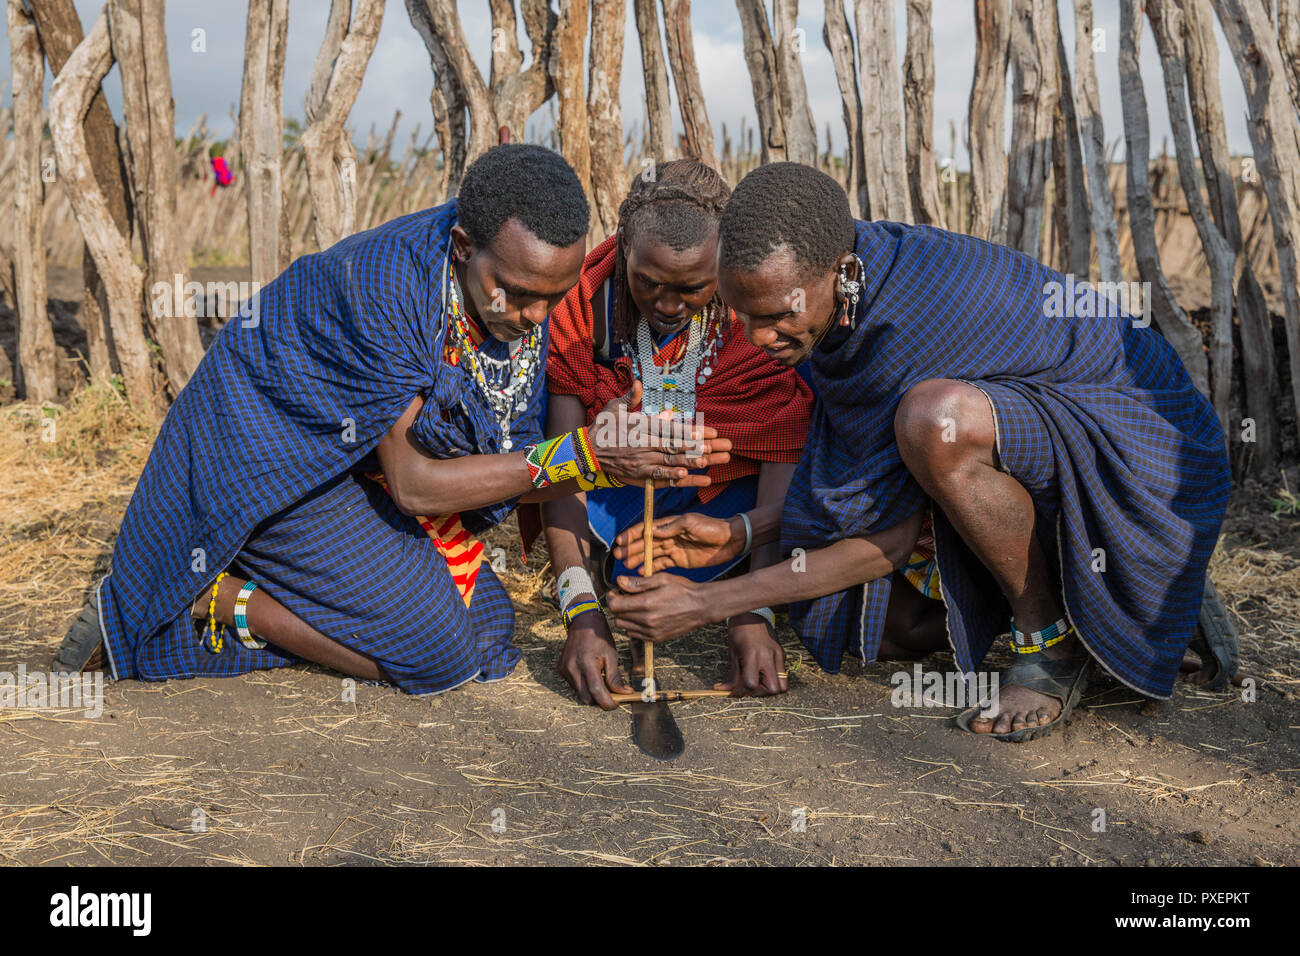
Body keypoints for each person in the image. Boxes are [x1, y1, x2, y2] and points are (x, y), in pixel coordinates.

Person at [54, 144, 730, 695]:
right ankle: (215, 595)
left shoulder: (524, 299)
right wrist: (587, 455)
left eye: (554, 297)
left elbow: (533, 463)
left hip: (357, 474)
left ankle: (272, 596)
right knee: (440, 655)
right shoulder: (390, 293)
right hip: (272, 470)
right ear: (464, 246)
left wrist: (597, 457)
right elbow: (413, 485)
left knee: (489, 630)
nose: (535, 318)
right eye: (519, 295)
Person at [607, 161, 1233, 742]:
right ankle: (1115, 599)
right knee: (882, 634)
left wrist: (707, 603)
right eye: (742, 315)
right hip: (1045, 434)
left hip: (1145, 453)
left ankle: (1055, 638)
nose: (758, 337)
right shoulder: (842, 297)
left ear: (840, 273)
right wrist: (741, 531)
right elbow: (863, 494)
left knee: (936, 422)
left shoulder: (908, 319)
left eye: (773, 317)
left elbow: (891, 537)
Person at [544, 160, 813, 709]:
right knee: (624, 571)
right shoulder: (581, 309)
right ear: (623, 250)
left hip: (731, 505)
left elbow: (781, 444)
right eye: (649, 283)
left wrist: (751, 610)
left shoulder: (751, 318)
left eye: (693, 287)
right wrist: (582, 615)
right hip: (609, 499)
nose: (669, 306)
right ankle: (591, 569)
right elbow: (558, 470)